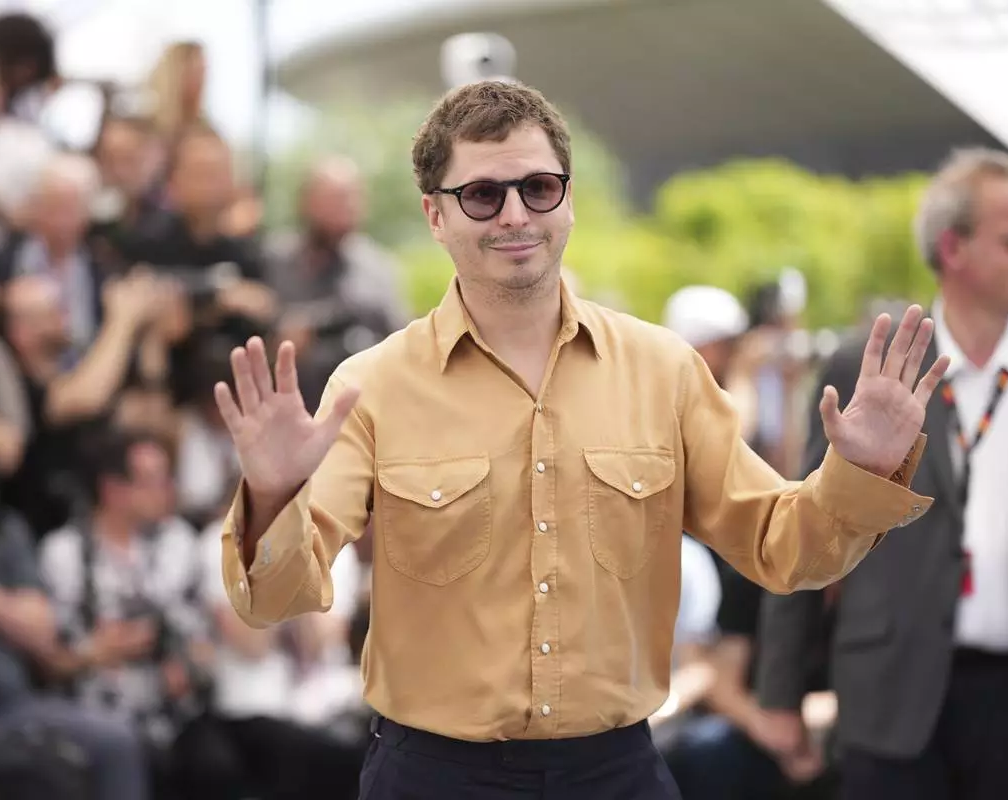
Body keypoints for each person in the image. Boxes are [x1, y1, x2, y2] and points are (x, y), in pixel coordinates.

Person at [212, 80, 949, 800]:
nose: (514, 214)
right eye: (482, 194)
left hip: (616, 769)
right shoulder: (371, 384)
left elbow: (786, 550)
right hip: (431, 775)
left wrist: (863, 468)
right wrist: (273, 492)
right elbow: (276, 601)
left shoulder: (665, 372)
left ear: (567, 201)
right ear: (436, 216)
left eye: (539, 187)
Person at [756, 147, 1008, 800]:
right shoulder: (865, 364)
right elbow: (807, 519)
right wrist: (779, 694)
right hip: (889, 694)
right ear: (953, 249)